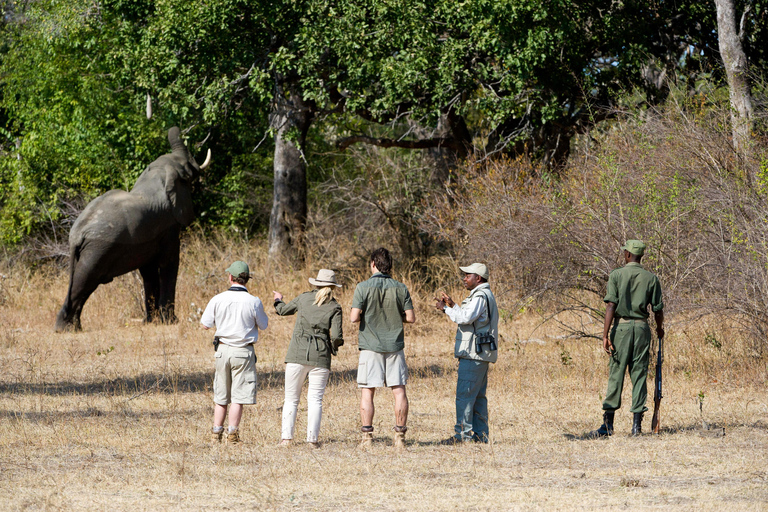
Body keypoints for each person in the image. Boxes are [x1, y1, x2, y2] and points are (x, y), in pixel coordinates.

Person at [592, 240, 664, 437]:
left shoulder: (616, 275)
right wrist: (659, 329)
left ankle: (608, 425)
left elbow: (610, 306)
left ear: (627, 255)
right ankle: (636, 427)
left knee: (616, 373)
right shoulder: (651, 278)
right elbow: (657, 310)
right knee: (639, 373)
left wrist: (605, 335)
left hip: (621, 328)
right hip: (642, 328)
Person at [350, 248, 415, 449]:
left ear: (373, 264)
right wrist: (398, 317)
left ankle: (367, 437)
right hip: (394, 345)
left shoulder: (362, 287)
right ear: (390, 266)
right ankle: (400, 437)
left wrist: (365, 317)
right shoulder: (400, 287)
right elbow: (411, 318)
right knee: (399, 391)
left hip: (370, 346)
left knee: (367, 392)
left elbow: (354, 317)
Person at [273, 269, 344, 448]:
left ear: (316, 283)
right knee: (315, 400)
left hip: (297, 353)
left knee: (291, 399)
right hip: (320, 356)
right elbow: (336, 337)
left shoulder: (303, 298)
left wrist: (277, 299)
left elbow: (282, 311)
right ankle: (312, 440)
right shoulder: (335, 307)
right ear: (332, 287)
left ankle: (286, 439)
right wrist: (332, 348)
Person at [201, 261, 269, 444]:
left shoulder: (218, 298)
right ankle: (233, 433)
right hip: (243, 351)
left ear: (230, 277)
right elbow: (264, 325)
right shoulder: (254, 301)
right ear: (247, 279)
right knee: (238, 396)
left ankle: (216, 433)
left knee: (221, 395)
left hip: (222, 349)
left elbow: (205, 324)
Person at [435, 262, 499, 444]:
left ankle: (462, 436)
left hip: (473, 354)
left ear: (478, 278)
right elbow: (468, 316)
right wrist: (453, 305)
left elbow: (464, 318)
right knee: (478, 397)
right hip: (480, 354)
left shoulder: (480, 296)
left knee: (465, 395)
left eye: (468, 275)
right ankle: (481, 436)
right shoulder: (484, 295)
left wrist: (445, 309)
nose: (464, 278)